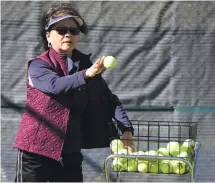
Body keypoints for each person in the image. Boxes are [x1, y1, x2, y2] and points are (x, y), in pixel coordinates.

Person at [13, 2, 134, 182]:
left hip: (69, 152)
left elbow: (109, 100)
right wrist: (87, 74)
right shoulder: (38, 65)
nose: (68, 34)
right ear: (48, 36)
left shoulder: (84, 65)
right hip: (36, 152)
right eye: (61, 30)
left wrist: (126, 129)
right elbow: (55, 85)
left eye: (73, 30)